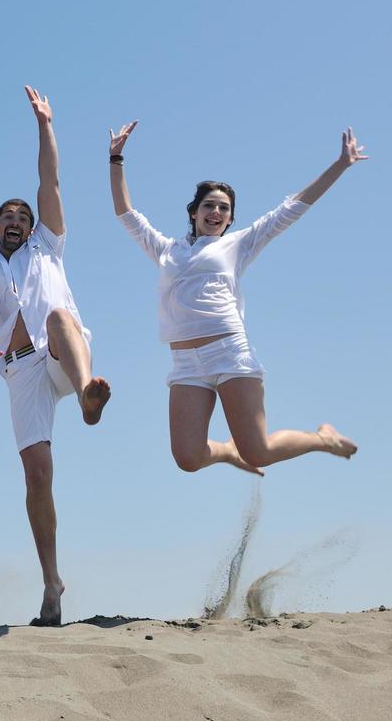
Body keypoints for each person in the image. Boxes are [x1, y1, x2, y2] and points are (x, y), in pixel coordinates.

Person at [109, 121, 365, 475]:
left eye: (224, 209)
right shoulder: (167, 250)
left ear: (230, 219)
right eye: (210, 206)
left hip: (229, 352)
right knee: (187, 458)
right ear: (194, 212)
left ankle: (323, 439)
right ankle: (228, 453)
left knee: (258, 451)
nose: (216, 213)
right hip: (185, 362)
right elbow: (126, 214)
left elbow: (291, 208)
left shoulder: (237, 244)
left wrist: (340, 164)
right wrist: (116, 159)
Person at [0, 85, 111, 628]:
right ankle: (52, 583)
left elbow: (50, 178)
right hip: (21, 370)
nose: (18, 220)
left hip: (61, 355)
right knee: (37, 477)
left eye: (24, 214)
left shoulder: (49, 243)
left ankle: (89, 394)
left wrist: (45, 124)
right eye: (8, 216)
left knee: (59, 317)